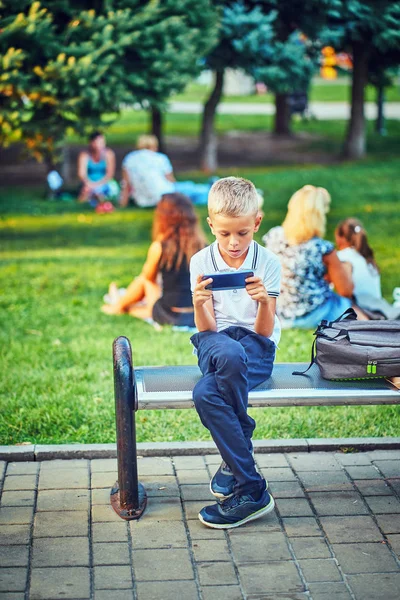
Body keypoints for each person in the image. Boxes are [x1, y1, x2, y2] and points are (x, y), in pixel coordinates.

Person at [190, 176, 280, 529]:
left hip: (256, 346)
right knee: (227, 352)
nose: (233, 242)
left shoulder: (268, 261)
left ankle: (249, 484)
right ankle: (248, 476)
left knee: (205, 393)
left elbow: (264, 332)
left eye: (243, 233)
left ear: (257, 222)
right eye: (224, 233)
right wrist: (199, 304)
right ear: (211, 224)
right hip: (215, 342)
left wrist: (263, 303)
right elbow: (207, 330)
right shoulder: (200, 260)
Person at [102, 193, 206, 327]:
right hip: (195, 314)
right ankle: (120, 304)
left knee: (145, 280)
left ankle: (119, 306)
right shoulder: (203, 247)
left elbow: (148, 278)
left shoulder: (160, 246)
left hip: (169, 313)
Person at [263, 185, 357, 329]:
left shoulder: (273, 236)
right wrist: (347, 268)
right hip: (314, 314)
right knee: (346, 305)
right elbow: (345, 291)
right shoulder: (322, 248)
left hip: (280, 313)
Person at [119, 134, 212, 208]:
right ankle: (212, 190)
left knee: (190, 190)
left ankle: (210, 189)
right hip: (166, 194)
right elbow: (171, 180)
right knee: (190, 188)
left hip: (143, 202)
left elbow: (126, 185)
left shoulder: (129, 159)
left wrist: (122, 205)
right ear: (154, 146)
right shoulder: (160, 158)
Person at [335, 218, 400, 320]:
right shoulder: (367, 259)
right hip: (378, 305)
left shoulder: (340, 257)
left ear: (340, 238)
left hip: (361, 307)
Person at [77, 132, 119, 209]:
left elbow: (109, 174)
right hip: (89, 183)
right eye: (98, 142)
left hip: (104, 183)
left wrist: (97, 185)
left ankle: (100, 201)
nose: (101, 145)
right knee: (86, 191)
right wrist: (89, 184)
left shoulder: (108, 154)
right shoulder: (85, 155)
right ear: (91, 143)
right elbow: (82, 174)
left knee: (105, 190)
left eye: (102, 142)